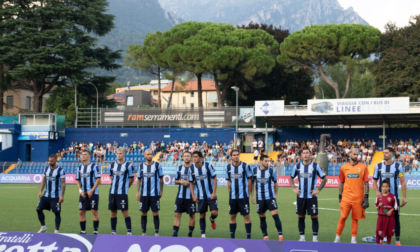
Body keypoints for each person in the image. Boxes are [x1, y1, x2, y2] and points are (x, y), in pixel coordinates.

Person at [289, 148, 327, 242]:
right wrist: (294, 188)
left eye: (307, 153)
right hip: (300, 197)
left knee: (314, 217)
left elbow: (324, 179)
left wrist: (318, 190)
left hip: (312, 197)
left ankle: (315, 239)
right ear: (301, 155)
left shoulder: (315, 166)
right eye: (304, 153)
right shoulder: (297, 166)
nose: (305, 155)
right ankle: (302, 238)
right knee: (301, 217)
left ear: (310, 155)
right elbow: (291, 177)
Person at [372, 147, 407, 245]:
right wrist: (376, 191)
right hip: (381, 198)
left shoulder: (398, 166)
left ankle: (397, 240)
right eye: (383, 153)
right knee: (382, 219)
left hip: (394, 198)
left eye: (386, 153)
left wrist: (404, 197)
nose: (384, 154)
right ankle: (382, 239)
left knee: (396, 219)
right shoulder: (378, 166)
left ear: (392, 154)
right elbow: (374, 181)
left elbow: (403, 182)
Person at [334, 148, 370, 244]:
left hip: (358, 198)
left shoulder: (363, 167)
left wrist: (366, 197)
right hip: (346, 197)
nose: (356, 156)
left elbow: (366, 183)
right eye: (354, 154)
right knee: (343, 217)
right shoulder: (343, 167)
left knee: (355, 218)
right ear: (349, 154)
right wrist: (339, 195)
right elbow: (341, 182)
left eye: (357, 154)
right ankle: (337, 238)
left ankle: (353, 239)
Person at [251, 154, 283, 241]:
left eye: (268, 161)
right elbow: (252, 183)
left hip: (270, 197)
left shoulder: (271, 171)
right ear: (261, 161)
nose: (267, 162)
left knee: (275, 216)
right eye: (265, 161)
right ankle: (265, 237)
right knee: (262, 217)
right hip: (260, 198)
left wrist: (275, 195)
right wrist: (252, 196)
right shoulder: (254, 171)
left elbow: (276, 183)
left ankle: (280, 236)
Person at [189, 151, 218, 238]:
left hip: (210, 195)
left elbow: (215, 179)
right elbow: (191, 182)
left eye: (196, 157)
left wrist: (214, 192)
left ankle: (212, 219)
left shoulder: (208, 166)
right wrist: (193, 196)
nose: (194, 158)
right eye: (193, 157)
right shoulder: (192, 169)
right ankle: (203, 234)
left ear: (201, 158)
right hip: (201, 196)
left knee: (215, 212)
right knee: (202, 215)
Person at [226, 149, 253, 239]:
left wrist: (248, 193)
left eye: (237, 154)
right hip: (232, 197)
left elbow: (250, 180)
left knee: (246, 216)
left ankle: (248, 237)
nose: (236, 156)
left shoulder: (245, 166)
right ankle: (232, 236)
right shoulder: (228, 167)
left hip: (243, 196)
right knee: (232, 216)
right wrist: (229, 192)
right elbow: (228, 181)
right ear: (231, 157)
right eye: (234, 155)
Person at [137, 149, 164, 236]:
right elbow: (138, 180)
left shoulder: (157, 165)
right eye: (148, 154)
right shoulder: (141, 166)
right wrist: (137, 192)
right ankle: (143, 232)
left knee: (155, 212)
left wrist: (161, 190)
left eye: (151, 154)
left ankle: (156, 233)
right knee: (143, 212)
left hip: (154, 194)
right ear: (144, 155)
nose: (149, 156)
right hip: (144, 194)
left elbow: (161, 179)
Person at [36, 154, 66, 233]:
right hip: (46, 195)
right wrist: (40, 191)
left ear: (56, 160)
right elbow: (44, 180)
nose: (50, 162)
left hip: (56, 196)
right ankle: (43, 227)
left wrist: (62, 196)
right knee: (38, 209)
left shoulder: (60, 170)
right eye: (49, 161)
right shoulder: (46, 169)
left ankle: (56, 231)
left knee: (57, 213)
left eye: (51, 161)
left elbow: (63, 184)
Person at [108, 148, 134, 235]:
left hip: (122, 193)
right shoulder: (112, 165)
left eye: (120, 153)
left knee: (125, 212)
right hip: (112, 193)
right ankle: (113, 231)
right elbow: (111, 176)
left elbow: (131, 179)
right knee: (113, 213)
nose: (118, 155)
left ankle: (129, 232)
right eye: (117, 153)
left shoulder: (128, 165)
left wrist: (126, 188)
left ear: (124, 154)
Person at [76, 150, 101, 234]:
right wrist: (80, 191)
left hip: (93, 193)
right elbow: (78, 180)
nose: (83, 156)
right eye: (82, 154)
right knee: (81, 211)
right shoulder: (79, 168)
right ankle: (83, 231)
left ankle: (95, 231)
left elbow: (98, 180)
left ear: (89, 156)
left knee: (94, 211)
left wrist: (92, 190)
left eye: (85, 154)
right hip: (83, 193)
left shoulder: (94, 166)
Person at [172, 151, 196, 237]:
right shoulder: (179, 168)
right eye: (185, 156)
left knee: (192, 215)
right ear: (183, 157)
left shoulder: (194, 168)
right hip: (180, 196)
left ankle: (190, 233)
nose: (186, 157)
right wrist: (181, 182)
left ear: (191, 158)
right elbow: (175, 181)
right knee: (177, 214)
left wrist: (189, 182)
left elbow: (198, 181)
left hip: (191, 196)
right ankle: (175, 233)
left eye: (188, 156)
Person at [375, 180, 398, 245]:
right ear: (381, 187)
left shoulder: (392, 196)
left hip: (389, 216)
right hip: (381, 216)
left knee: (389, 229)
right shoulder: (379, 196)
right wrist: (378, 206)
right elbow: (376, 205)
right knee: (379, 229)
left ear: (389, 187)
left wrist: (390, 211)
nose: (385, 188)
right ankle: (377, 242)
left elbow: (395, 206)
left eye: (386, 186)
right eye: (383, 186)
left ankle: (388, 243)